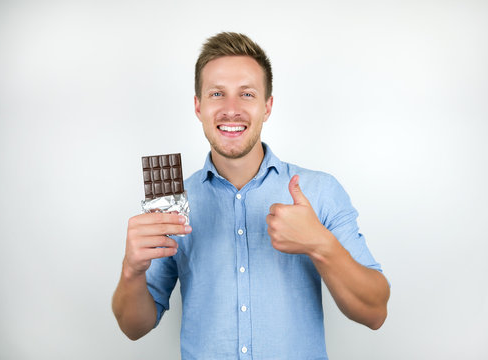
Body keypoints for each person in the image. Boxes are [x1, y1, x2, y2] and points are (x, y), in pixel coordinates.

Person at [112, 32, 390, 359]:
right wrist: (131, 270)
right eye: (217, 94)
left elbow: (375, 312)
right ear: (198, 106)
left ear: (267, 106)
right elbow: (134, 327)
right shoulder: (171, 204)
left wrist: (320, 244)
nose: (232, 110)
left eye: (246, 94)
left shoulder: (320, 191)